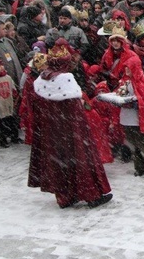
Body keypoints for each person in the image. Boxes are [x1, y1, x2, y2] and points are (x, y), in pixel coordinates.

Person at [27, 39, 113, 209]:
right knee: (80, 160)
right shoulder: (66, 81)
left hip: (52, 134)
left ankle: (65, 197)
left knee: (59, 162)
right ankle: (91, 195)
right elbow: (76, 112)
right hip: (70, 132)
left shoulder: (40, 82)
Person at [0, 58, 20, 147]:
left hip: (8, 103)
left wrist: (15, 97)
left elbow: (13, 89)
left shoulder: (7, 77)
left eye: (1, 65)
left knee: (12, 121)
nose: (1, 68)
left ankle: (14, 137)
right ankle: (2, 140)